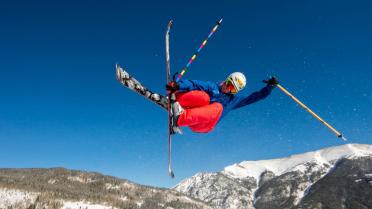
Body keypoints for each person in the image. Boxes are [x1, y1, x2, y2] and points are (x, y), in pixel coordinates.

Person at [166, 72, 279, 133]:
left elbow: (256, 96)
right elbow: (194, 84)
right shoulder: (212, 87)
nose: (228, 89)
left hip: (204, 125)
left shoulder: (232, 101)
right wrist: (177, 85)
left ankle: (179, 119)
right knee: (204, 96)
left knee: (218, 107)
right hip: (191, 112)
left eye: (233, 89)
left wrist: (269, 87)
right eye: (229, 84)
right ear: (227, 79)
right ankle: (175, 99)